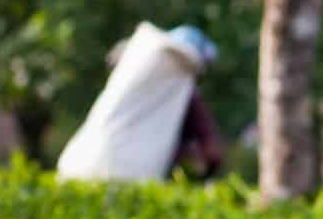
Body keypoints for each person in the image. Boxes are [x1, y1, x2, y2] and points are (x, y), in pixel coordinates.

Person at [57, 23, 224, 183]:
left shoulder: (132, 68)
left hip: (78, 162)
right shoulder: (183, 86)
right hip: (129, 179)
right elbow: (211, 152)